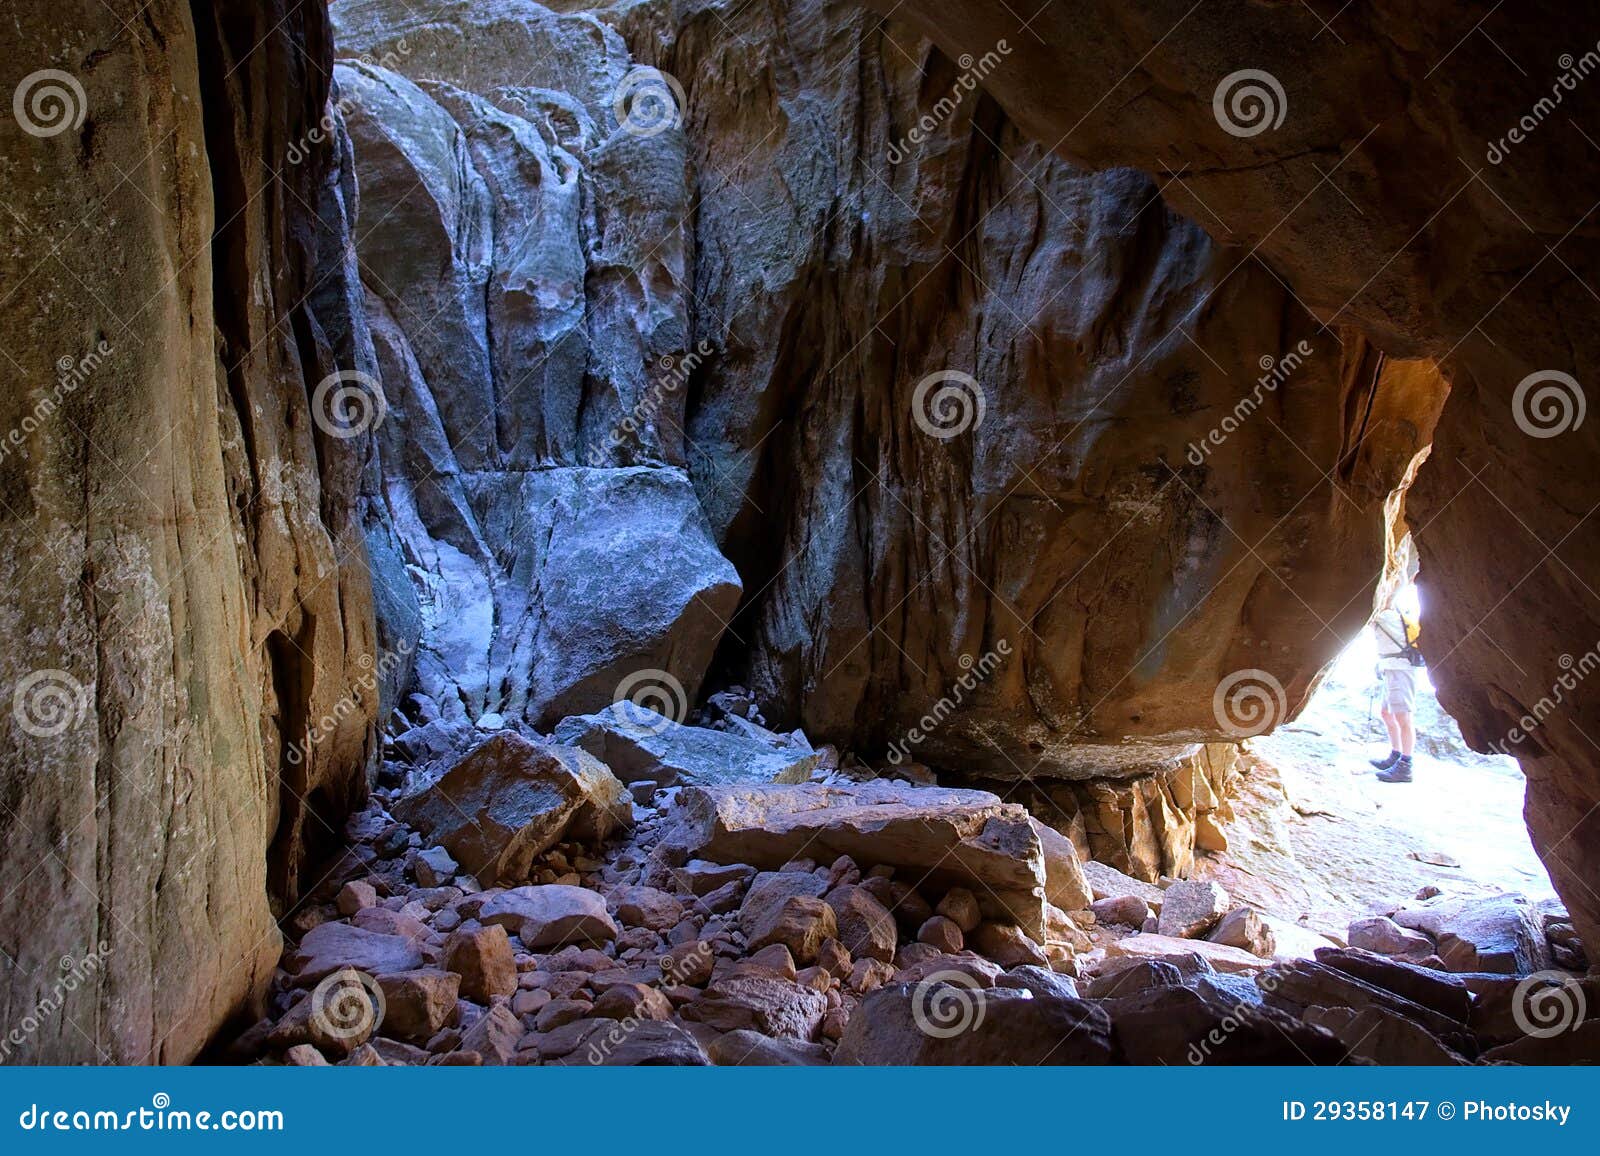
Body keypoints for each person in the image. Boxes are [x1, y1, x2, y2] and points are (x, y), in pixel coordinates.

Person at [1370, 601, 1418, 782]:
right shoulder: (1391, 615)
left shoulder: (1386, 616)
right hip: (1391, 668)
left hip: (1401, 670)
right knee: (1386, 713)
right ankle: (1396, 754)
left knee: (1403, 717)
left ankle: (1405, 767)